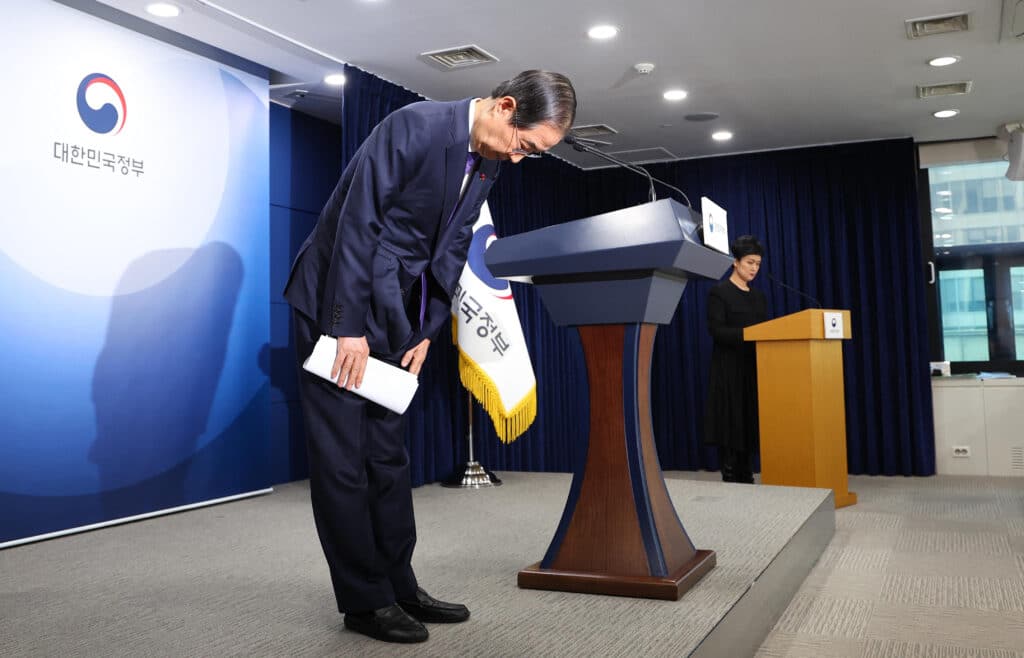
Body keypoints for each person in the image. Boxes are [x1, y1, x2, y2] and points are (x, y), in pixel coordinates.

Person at [283, 70, 576, 644]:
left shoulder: (487, 161)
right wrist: (346, 327)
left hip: (395, 312)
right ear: (504, 107)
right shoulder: (413, 128)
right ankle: (364, 601)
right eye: (526, 144)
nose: (519, 159)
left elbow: (453, 246)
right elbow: (355, 226)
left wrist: (427, 327)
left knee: (387, 457)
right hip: (334, 305)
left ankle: (399, 583)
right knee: (344, 460)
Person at [704, 235, 767, 484]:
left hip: (754, 367)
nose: (754, 268)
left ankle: (747, 472)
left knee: (750, 418)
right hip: (728, 369)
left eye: (758, 264)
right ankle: (730, 474)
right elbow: (716, 331)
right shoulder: (719, 293)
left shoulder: (759, 297)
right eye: (750, 262)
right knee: (731, 420)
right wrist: (749, 335)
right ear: (736, 262)